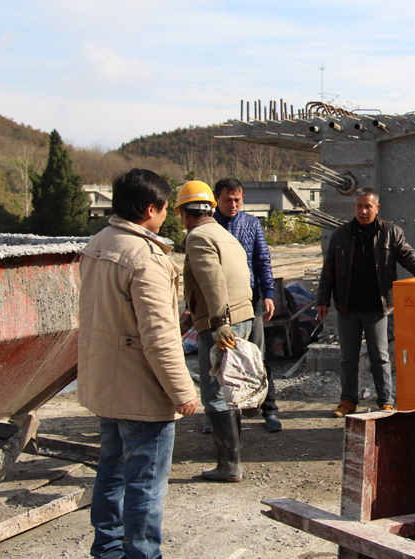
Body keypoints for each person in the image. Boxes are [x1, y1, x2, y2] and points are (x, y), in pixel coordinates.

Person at [78, 168, 199, 559]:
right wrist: (182, 391)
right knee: (145, 486)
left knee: (110, 473)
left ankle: (108, 550)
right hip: (141, 391)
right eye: (165, 209)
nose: (166, 216)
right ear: (151, 209)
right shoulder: (145, 259)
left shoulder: (98, 242)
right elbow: (160, 339)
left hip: (106, 382)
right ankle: (143, 554)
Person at [317, 187, 415, 418]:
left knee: (379, 356)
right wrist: (323, 300)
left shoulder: (391, 232)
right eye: (359, 206)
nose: (363, 210)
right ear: (354, 207)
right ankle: (348, 401)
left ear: (376, 208)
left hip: (376, 308)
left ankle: (385, 402)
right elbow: (328, 270)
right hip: (347, 307)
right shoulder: (340, 235)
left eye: (368, 206)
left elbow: (407, 254)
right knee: (348, 357)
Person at [175, 180, 254, 482]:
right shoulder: (222, 233)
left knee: (216, 394)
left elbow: (212, 281)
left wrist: (219, 321)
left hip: (221, 323)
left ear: (184, 212)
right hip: (242, 315)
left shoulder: (197, 237)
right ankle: (234, 455)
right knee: (232, 388)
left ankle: (228, 465)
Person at [212, 177, 282, 432]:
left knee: (257, 356)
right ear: (216, 199)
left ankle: (269, 409)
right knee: (220, 360)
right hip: (218, 305)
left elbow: (263, 260)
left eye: (237, 199)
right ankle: (220, 418)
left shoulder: (251, 224)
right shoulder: (208, 225)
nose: (233, 204)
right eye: (228, 199)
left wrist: (268, 294)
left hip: (249, 302)